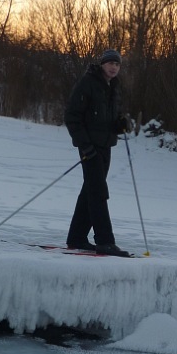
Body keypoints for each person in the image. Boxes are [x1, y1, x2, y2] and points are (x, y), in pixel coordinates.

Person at [64, 48, 132, 257]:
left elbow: (110, 116)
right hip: (89, 147)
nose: (114, 67)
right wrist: (84, 145)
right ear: (102, 64)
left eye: (117, 64)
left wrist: (121, 124)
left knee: (90, 191)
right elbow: (72, 116)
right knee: (98, 192)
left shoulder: (114, 87)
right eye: (110, 63)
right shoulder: (88, 83)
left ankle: (76, 237)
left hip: (105, 146)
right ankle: (104, 241)